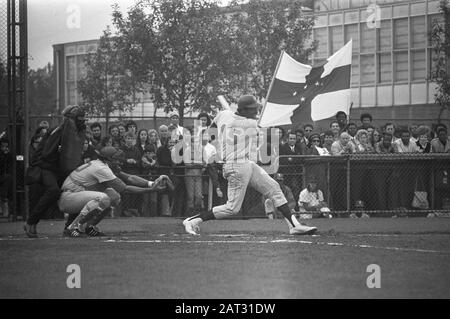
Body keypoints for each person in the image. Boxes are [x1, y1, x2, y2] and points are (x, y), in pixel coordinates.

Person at [182, 95, 317, 236]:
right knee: (232, 208)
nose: (255, 112)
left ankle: (294, 225)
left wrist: (224, 132)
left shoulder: (224, 114)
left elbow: (211, 131)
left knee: (274, 188)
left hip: (247, 164)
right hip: (236, 166)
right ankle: (192, 220)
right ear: (243, 110)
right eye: (252, 109)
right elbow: (269, 133)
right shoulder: (250, 124)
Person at [58, 146, 170, 237]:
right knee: (103, 198)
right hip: (68, 198)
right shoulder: (102, 169)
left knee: (114, 197)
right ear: (108, 159)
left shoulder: (102, 164)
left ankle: (88, 227)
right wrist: (152, 190)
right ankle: (72, 227)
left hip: (76, 194)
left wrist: (151, 183)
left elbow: (129, 177)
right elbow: (125, 188)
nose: (119, 162)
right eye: (116, 159)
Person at [24, 105, 87, 238]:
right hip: (44, 167)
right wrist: (59, 152)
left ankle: (70, 227)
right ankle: (31, 222)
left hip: (58, 168)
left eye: (83, 119)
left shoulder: (75, 133)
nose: (81, 121)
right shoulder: (58, 130)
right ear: (71, 119)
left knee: (78, 189)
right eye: (78, 119)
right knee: (54, 191)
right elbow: (46, 154)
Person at [0, 138, 12, 217]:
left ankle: (3, 198)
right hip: (2, 174)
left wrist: (7, 154)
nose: (4, 148)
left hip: (3, 175)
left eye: (6, 146)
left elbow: (9, 164)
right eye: (3, 146)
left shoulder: (7, 154)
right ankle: (3, 199)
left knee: (8, 179)